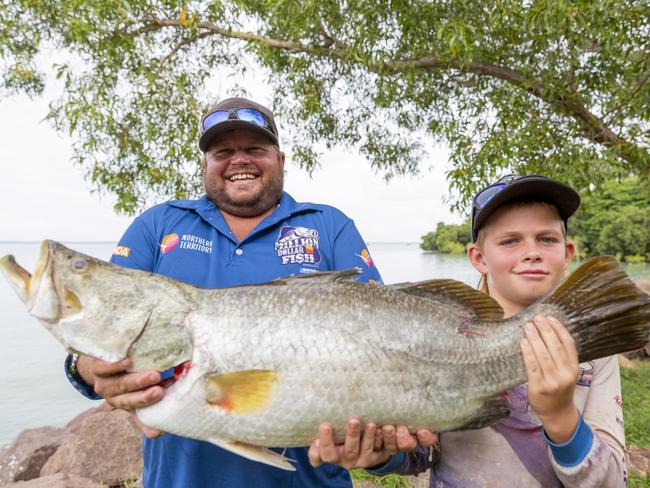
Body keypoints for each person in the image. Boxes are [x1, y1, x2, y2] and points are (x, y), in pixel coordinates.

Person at [62, 97, 401, 487]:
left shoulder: (329, 226)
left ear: (281, 159)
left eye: (254, 149)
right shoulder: (158, 225)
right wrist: (87, 369)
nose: (239, 160)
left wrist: (386, 451)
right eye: (223, 151)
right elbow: (98, 331)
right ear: (205, 165)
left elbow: (383, 340)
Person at [308, 175, 628, 486]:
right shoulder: (441, 335)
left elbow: (614, 480)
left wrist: (561, 417)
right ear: (478, 257)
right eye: (510, 241)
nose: (532, 251)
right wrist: (381, 455)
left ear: (567, 253)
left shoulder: (593, 352)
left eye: (546, 238)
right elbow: (422, 450)